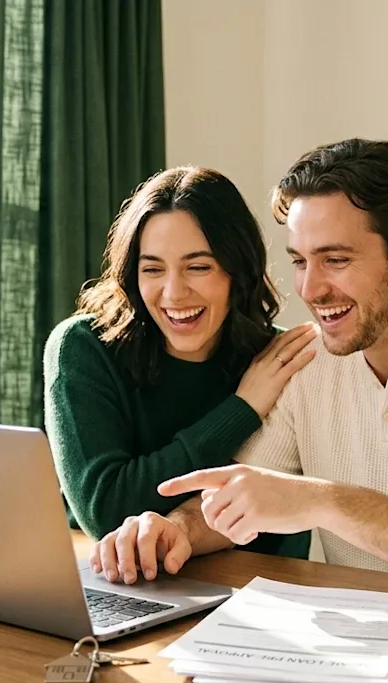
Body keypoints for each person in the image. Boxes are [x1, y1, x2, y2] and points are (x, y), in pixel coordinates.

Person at [90, 138, 388, 592]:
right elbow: (240, 496)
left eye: (335, 260)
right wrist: (177, 531)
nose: (310, 289)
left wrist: (321, 499)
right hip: (351, 647)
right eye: (300, 261)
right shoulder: (307, 361)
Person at [43, 165, 317, 585]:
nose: (173, 293)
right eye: (152, 269)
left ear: (236, 271)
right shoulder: (84, 348)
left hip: (255, 590)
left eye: (198, 267)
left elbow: (278, 528)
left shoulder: (280, 361)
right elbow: (107, 513)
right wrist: (241, 410)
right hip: (118, 582)